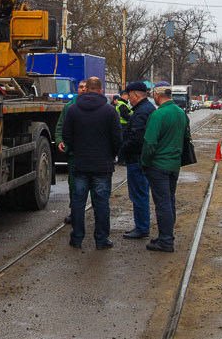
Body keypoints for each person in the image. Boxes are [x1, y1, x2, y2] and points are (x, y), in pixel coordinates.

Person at [61, 76, 121, 250]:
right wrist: (113, 154)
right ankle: (101, 240)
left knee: (78, 203)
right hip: (102, 165)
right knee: (101, 203)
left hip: (80, 164)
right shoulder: (110, 111)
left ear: (86, 89)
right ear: (100, 90)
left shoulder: (73, 110)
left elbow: (67, 135)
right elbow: (117, 138)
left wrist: (73, 150)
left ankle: (77, 238)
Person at [140, 82, 190, 253]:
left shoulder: (158, 115)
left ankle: (166, 241)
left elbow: (149, 143)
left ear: (157, 95)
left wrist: (145, 162)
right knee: (169, 201)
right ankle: (166, 236)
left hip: (158, 165)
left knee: (162, 204)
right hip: (174, 164)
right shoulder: (180, 112)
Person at [118, 81, 155, 240]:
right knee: (140, 193)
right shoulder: (146, 109)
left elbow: (136, 138)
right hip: (140, 158)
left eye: (130, 96)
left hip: (136, 159)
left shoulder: (141, 112)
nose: (128, 99)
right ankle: (141, 226)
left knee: (138, 194)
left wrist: (122, 149)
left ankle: (141, 227)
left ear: (136, 95)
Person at [56, 79, 87, 225]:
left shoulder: (101, 106)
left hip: (91, 154)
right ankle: (74, 212)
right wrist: (59, 141)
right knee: (73, 184)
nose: (83, 89)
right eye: (80, 87)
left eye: (85, 87)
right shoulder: (69, 107)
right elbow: (60, 126)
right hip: (74, 153)